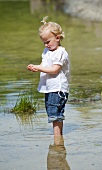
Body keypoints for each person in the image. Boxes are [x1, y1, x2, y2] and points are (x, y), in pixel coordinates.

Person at [27, 16, 69, 144]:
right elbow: (45, 65)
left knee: (55, 113)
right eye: (44, 42)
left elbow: (55, 69)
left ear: (57, 37)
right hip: (50, 87)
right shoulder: (47, 51)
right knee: (52, 112)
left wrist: (39, 68)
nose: (46, 44)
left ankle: (57, 139)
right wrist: (37, 67)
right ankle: (58, 138)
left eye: (48, 41)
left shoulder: (61, 52)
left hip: (58, 88)